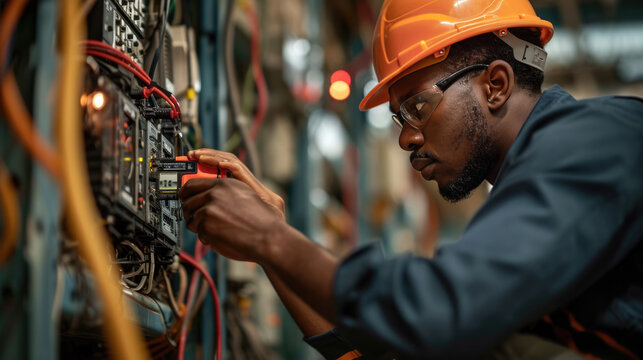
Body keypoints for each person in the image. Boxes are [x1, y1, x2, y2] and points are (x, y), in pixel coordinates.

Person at [179, 0, 643, 358]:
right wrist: (272, 245)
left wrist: (273, 239)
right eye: (399, 117)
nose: (406, 139)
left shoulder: (594, 143)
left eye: (418, 107)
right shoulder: (532, 192)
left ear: (496, 85)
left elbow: (440, 313)